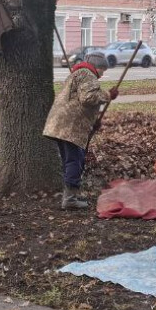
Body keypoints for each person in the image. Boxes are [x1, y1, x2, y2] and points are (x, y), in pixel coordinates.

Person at [43, 51, 118, 209]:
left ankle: (71, 194)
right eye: (102, 70)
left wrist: (93, 123)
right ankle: (70, 199)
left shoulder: (77, 74)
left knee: (70, 160)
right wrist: (108, 95)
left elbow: (77, 103)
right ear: (96, 66)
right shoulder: (87, 74)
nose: (102, 74)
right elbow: (88, 98)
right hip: (70, 127)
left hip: (60, 124)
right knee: (75, 160)